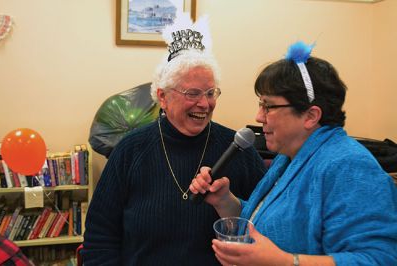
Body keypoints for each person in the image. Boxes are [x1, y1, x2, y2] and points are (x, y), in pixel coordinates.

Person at [190, 41, 397, 265]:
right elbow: (265, 221)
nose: (259, 117)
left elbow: (379, 258)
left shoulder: (349, 166)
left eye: (268, 106)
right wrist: (225, 201)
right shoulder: (289, 157)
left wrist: (286, 262)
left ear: (310, 116)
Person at [82, 15, 266, 265]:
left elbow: (266, 225)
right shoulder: (130, 150)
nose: (204, 103)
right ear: (163, 97)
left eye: (211, 93)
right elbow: (100, 235)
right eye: (192, 93)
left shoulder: (238, 150)